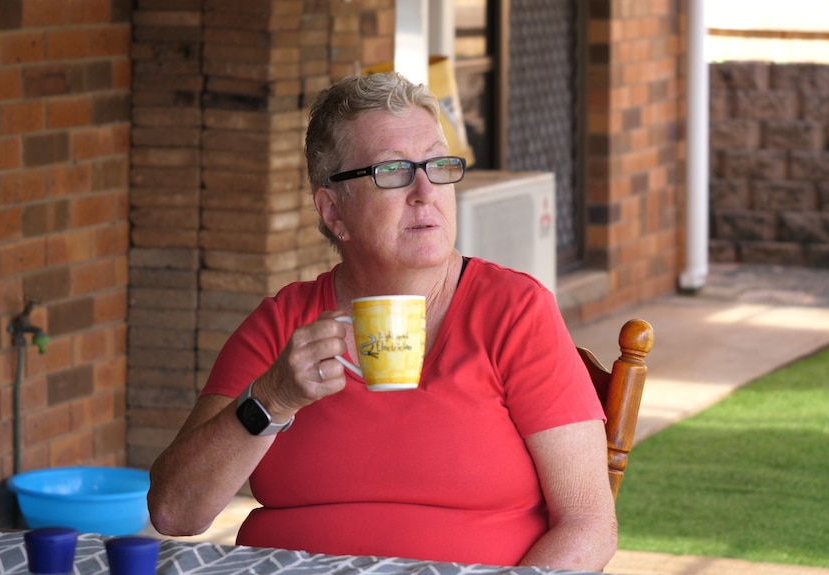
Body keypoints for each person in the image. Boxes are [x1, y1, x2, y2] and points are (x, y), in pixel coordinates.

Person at [147, 72, 617, 571]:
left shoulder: (514, 312)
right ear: (333, 211)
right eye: (391, 171)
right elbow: (175, 512)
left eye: (438, 164)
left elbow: (589, 524)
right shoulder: (285, 325)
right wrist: (273, 397)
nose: (424, 190)